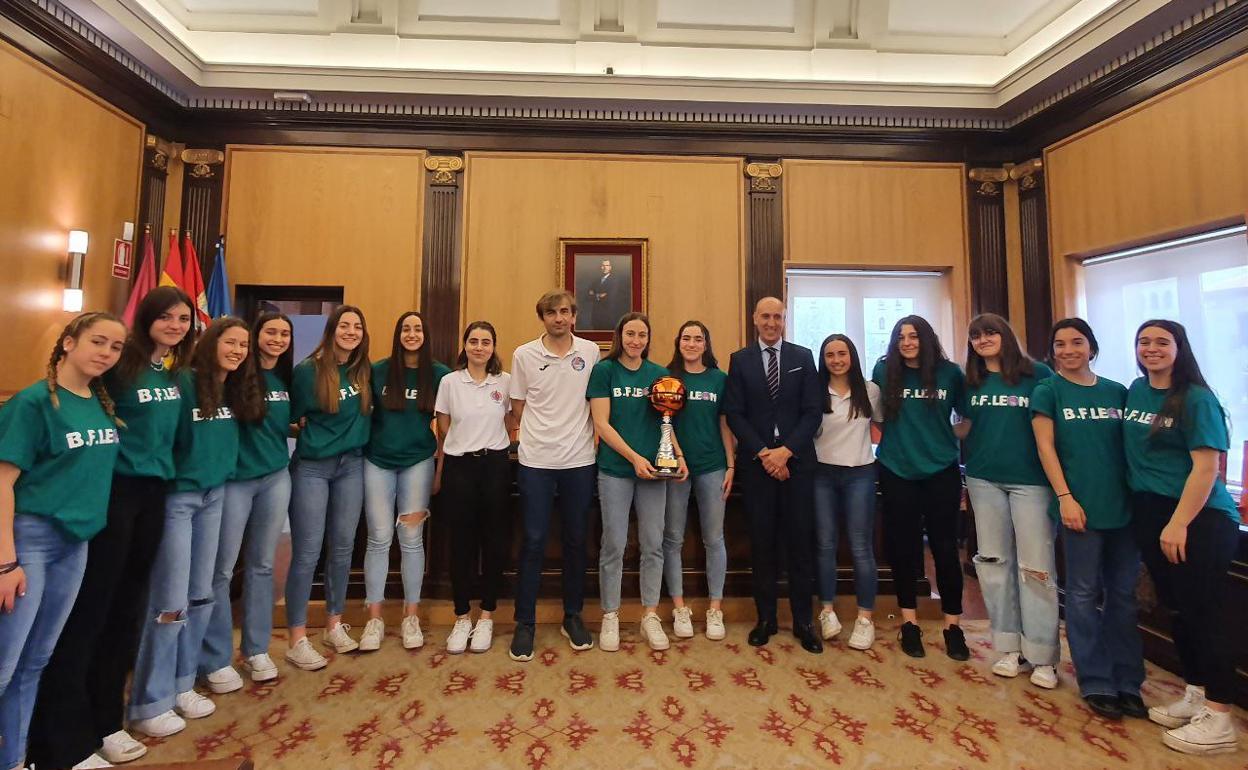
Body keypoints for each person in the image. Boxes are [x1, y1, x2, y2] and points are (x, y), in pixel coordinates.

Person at [28, 287, 194, 770]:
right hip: (114, 494)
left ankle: (108, 720)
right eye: (165, 317)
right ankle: (67, 736)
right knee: (91, 614)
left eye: (183, 318)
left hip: (154, 493)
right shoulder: (121, 367)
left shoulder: (170, 372)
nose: (175, 325)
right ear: (145, 319)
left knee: (128, 609)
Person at [0, 312, 126, 770]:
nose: (106, 353)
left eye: (115, 348)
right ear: (68, 342)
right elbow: (2, 482)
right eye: (98, 342)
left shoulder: (97, 402)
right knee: (4, 666)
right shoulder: (33, 403)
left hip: (76, 545)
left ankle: (13, 760)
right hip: (29, 544)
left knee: (36, 663)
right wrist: (6, 562)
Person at [128, 316, 259, 739]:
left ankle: (183, 682)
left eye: (243, 345)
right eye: (230, 342)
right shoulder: (182, 382)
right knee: (169, 600)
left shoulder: (233, 387)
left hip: (215, 494)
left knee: (201, 593)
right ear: (210, 342)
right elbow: (163, 436)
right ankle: (151, 699)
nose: (238, 350)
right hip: (178, 498)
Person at [1124, 320, 1239, 755]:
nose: (1151, 348)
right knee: (1179, 611)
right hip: (1151, 512)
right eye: (1144, 341)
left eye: (1161, 342)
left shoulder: (1196, 398)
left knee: (1203, 613)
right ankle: (1196, 693)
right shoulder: (1136, 390)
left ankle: (1221, 717)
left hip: (1199, 518)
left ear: (1179, 348)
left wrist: (1179, 523)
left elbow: (1207, 467)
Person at [1031, 318, 1144, 721]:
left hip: (1125, 510)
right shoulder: (1048, 391)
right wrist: (1065, 497)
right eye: (1059, 344)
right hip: (1079, 508)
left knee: (1123, 596)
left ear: (1091, 347)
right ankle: (1095, 679)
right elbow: (1046, 448)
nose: (1068, 350)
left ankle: (1129, 681)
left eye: (1076, 342)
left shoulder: (1119, 391)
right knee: (1081, 594)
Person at [957, 314, 1058, 688]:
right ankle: (1008, 646)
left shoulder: (1039, 375)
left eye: (989, 333)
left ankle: (1043, 654)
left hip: (1031, 482)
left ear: (1005, 336)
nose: (982, 340)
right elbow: (967, 426)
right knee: (994, 564)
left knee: (1036, 567)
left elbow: (1053, 426)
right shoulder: (972, 381)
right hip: (984, 480)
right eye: (976, 336)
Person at [199, 312, 294, 692]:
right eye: (270, 332)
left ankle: (256, 649)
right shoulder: (235, 375)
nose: (278, 339)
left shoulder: (285, 378)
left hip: (275, 476)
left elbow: (280, 422)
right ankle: (217, 657)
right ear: (255, 336)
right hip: (236, 480)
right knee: (221, 570)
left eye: (284, 334)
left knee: (262, 565)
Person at [723, 296, 823, 654]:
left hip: (797, 466)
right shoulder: (740, 360)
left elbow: (813, 412)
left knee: (799, 545)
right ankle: (765, 619)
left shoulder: (802, 357)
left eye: (777, 317)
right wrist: (766, 453)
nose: (771, 322)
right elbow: (735, 414)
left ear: (784, 319)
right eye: (765, 316)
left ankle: (803, 621)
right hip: (758, 466)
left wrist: (786, 452)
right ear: (754, 319)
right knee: (762, 545)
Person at [508, 290, 600, 662]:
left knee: (577, 541)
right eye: (551, 313)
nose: (559, 318)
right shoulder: (523, 355)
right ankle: (525, 622)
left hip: (579, 460)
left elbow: (597, 404)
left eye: (565, 312)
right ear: (542, 318)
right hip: (536, 463)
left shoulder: (591, 353)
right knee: (532, 542)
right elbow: (517, 408)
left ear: (574, 316)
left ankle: (572, 616)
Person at [872, 315, 969, 660]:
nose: (908, 342)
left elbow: (967, 417)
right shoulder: (884, 372)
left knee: (945, 550)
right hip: (897, 469)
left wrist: (948, 438)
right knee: (904, 549)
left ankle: (952, 626)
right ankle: (909, 623)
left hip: (941, 471)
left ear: (926, 338)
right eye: (901, 337)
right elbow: (877, 418)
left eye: (913, 336)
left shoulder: (950, 372)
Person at [589, 313, 686, 652]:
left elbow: (667, 422)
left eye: (642, 334)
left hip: (654, 472)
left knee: (653, 544)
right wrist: (634, 458)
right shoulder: (604, 371)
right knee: (613, 544)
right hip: (616, 469)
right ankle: (610, 616)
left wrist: (678, 456)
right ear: (620, 336)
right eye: (630, 333)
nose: (635, 340)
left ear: (648, 338)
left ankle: (649, 615)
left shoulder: (659, 375)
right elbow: (601, 424)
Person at [285, 305, 371, 670]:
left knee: (343, 547)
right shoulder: (308, 371)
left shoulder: (363, 371)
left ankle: (334, 623)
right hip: (313, 468)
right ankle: (297, 637)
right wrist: (307, 431)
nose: (351, 331)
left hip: (352, 465)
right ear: (332, 329)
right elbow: (288, 419)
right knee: (307, 551)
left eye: (357, 326)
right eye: (344, 325)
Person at [359, 312, 449, 652]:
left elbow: (444, 428)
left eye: (418, 329)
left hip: (419, 463)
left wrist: (440, 470)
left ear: (425, 335)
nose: (412, 334)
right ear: (398, 334)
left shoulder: (439, 374)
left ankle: (411, 615)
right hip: (377, 462)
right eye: (406, 329)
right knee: (379, 538)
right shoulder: (378, 370)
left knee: (411, 538)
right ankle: (374, 617)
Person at [435, 321, 515, 655]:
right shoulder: (450, 382)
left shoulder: (506, 382)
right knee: (462, 543)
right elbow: (442, 423)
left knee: (494, 541)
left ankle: (487, 615)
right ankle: (461, 616)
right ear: (464, 345)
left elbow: (512, 420)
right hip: (459, 467)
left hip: (495, 466)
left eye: (486, 341)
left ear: (494, 346)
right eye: (473, 341)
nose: (479, 347)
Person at [663, 321, 733, 642]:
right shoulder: (667, 379)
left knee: (714, 538)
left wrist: (731, 465)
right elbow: (664, 423)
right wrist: (678, 455)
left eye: (698, 339)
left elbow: (725, 424)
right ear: (679, 343)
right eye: (686, 338)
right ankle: (679, 607)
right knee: (673, 539)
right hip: (677, 468)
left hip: (713, 466)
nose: (691, 343)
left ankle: (715, 608)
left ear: (706, 344)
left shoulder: (720, 379)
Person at [811, 334, 881, 650]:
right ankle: (827, 611)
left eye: (842, 353)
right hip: (822, 474)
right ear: (823, 360)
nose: (836, 360)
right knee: (824, 544)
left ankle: (865, 618)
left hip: (861, 474)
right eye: (829, 355)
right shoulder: (814, 391)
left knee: (860, 546)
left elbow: (884, 426)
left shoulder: (870, 391)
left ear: (851, 355)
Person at [588, 259, 629, 331]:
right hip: (596, 316)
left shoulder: (615, 281)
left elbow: (609, 298)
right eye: (603, 266)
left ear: (610, 267)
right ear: (601, 267)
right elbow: (588, 296)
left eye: (607, 265)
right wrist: (599, 296)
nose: (604, 267)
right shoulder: (596, 281)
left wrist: (595, 295)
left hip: (608, 317)